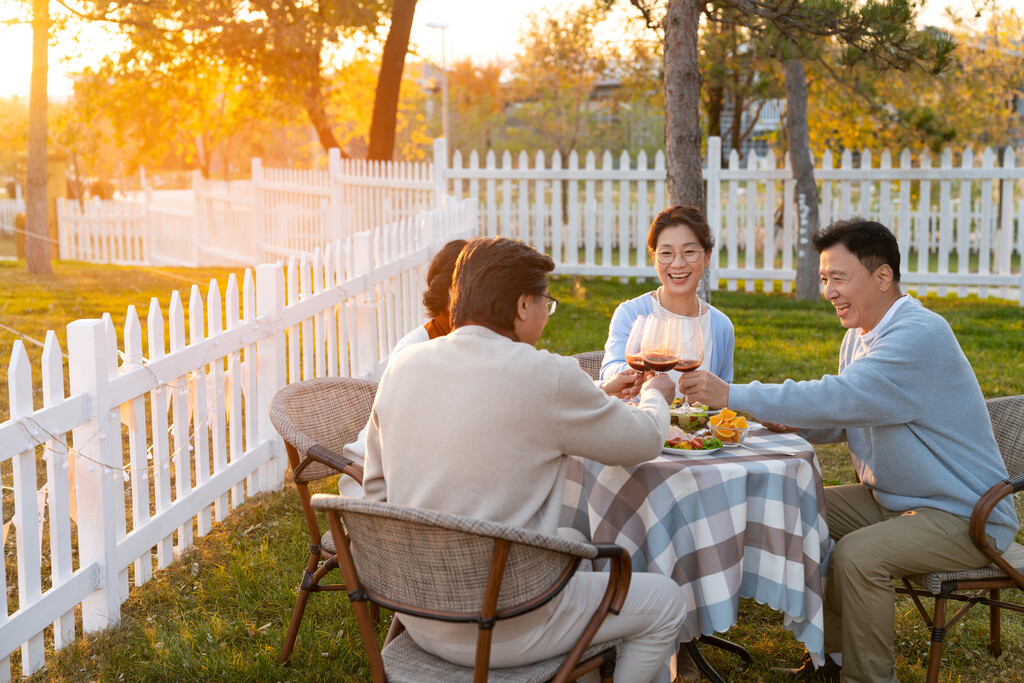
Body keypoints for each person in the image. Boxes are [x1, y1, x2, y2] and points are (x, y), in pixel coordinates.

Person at [678, 218, 1019, 683]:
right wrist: (788, 420)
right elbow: (848, 413)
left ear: (882, 278)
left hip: (967, 515)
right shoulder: (859, 334)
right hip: (896, 501)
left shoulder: (920, 335)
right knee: (795, 503)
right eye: (824, 279)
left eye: (839, 278)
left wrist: (731, 395)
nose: (829, 291)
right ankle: (831, 661)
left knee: (859, 556)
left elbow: (841, 396)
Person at [363, 236, 687, 682]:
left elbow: (375, 492)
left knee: (576, 552)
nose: (545, 313)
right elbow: (644, 440)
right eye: (545, 302)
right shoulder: (546, 373)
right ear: (522, 307)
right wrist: (655, 394)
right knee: (665, 601)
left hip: (417, 615)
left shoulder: (403, 367)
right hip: (508, 621)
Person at [339, 238, 467, 497]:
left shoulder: (463, 340)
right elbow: (406, 444)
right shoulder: (418, 350)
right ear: (453, 293)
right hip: (375, 484)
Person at [601, 205, 735, 401]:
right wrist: (639, 375)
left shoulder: (721, 326)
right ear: (654, 258)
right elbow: (608, 372)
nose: (678, 263)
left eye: (689, 251)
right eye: (666, 253)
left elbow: (723, 397)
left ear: (707, 256)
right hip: (640, 425)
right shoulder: (631, 313)